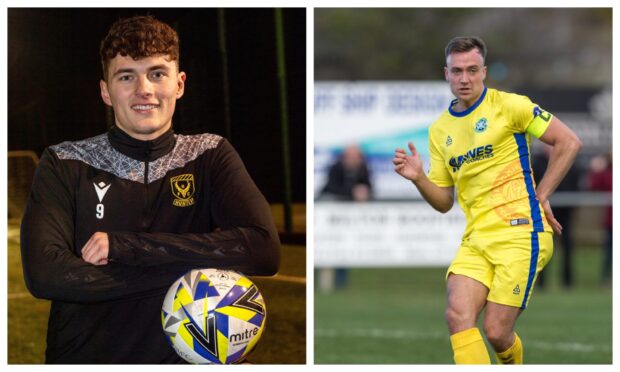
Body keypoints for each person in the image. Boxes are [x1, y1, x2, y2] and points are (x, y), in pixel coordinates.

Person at [20, 15, 280, 364]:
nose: (144, 89)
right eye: (126, 76)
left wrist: (127, 246)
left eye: (157, 74)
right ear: (105, 91)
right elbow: (47, 275)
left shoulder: (209, 154)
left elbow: (263, 249)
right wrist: (192, 278)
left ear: (179, 84)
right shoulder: (64, 161)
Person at [393, 36, 582, 364]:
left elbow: (568, 142)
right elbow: (443, 202)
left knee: (496, 332)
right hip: (477, 239)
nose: (464, 79)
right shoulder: (440, 130)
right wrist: (420, 179)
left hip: (521, 233)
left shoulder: (511, 106)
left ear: (484, 72)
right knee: (457, 315)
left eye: (471, 70)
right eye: (456, 71)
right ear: (446, 74)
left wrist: (543, 194)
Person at [532, 144, 580, 288]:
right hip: (543, 212)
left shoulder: (570, 163)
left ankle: (567, 281)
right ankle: (541, 282)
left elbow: (575, 185)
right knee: (543, 246)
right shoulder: (537, 162)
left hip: (565, 212)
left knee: (567, 246)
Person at [587, 153, 612, 287]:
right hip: (611, 221)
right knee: (609, 252)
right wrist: (595, 170)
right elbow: (593, 186)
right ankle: (606, 280)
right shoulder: (607, 173)